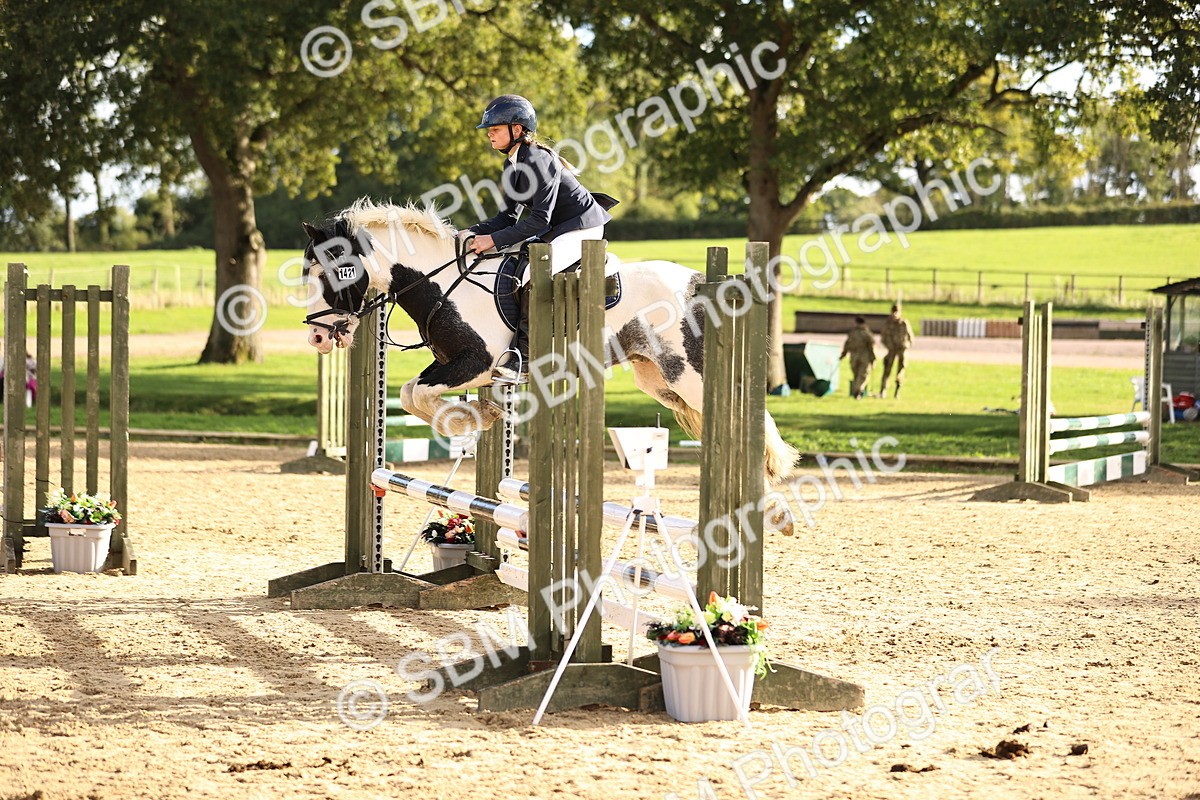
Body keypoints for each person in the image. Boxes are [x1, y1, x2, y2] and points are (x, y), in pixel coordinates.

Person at [462, 94, 613, 382]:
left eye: (495, 129)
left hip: (583, 227)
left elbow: (539, 219)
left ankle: (526, 360)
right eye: (489, 131)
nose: (490, 135)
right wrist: (470, 233)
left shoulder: (539, 160)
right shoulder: (512, 165)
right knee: (505, 260)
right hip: (558, 228)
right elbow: (506, 219)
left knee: (533, 272)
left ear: (517, 130)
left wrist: (492, 240)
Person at [880, 304, 914, 398]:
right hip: (892, 349)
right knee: (887, 370)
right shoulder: (888, 323)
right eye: (893, 312)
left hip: (901, 349)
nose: (895, 314)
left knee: (900, 371)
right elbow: (883, 338)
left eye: (897, 312)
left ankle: (897, 391)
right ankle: (883, 390)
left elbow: (911, 336)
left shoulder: (904, 323)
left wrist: (907, 345)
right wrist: (888, 346)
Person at [839, 317, 876, 399]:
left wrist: (843, 354)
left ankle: (857, 391)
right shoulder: (867, 333)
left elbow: (847, 344)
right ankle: (858, 391)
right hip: (864, 357)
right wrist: (873, 358)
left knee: (857, 375)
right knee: (863, 376)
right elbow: (872, 347)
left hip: (854, 357)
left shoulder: (852, 333)